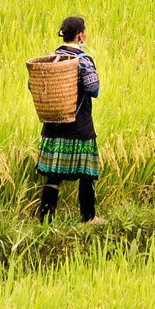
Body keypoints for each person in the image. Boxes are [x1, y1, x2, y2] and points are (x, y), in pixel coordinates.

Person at [37, 15, 101, 224]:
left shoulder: (49, 59)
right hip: (79, 126)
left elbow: (33, 86)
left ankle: (46, 219)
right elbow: (94, 90)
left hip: (53, 126)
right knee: (86, 173)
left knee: (53, 175)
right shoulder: (83, 60)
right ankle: (88, 217)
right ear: (81, 34)